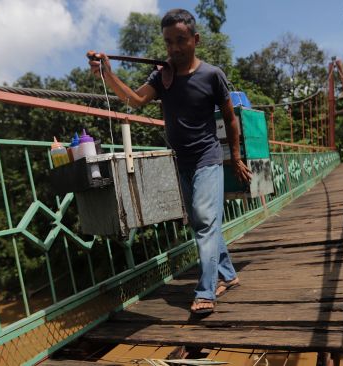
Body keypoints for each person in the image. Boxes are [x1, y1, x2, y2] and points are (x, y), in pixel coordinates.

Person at [87, 8, 251, 314]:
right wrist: (107, 73)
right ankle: (228, 275)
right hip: (182, 162)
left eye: (181, 40)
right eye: (168, 42)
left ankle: (206, 291)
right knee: (203, 223)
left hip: (208, 158)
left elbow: (230, 120)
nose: (174, 47)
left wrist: (236, 158)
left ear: (195, 39)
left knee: (203, 221)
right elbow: (134, 101)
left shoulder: (212, 76)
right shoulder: (162, 77)